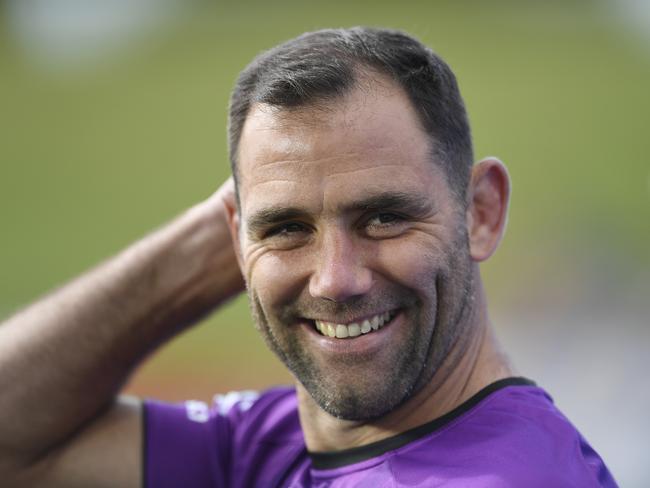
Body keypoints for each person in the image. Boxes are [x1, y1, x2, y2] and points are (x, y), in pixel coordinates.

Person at [0, 27, 616, 487]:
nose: (336, 278)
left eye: (383, 217)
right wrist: (210, 247)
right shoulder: (264, 443)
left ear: (480, 211)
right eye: (289, 227)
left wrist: (268, 228)